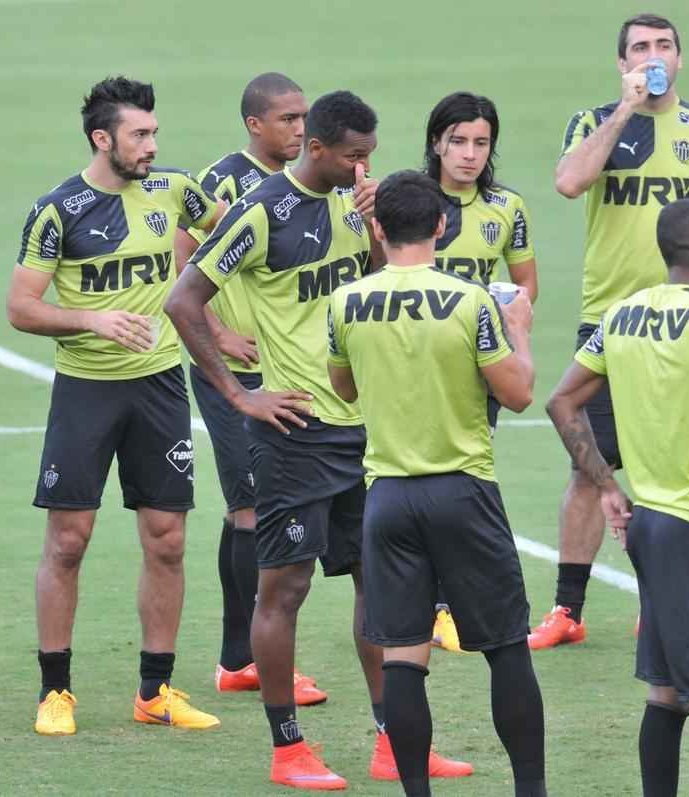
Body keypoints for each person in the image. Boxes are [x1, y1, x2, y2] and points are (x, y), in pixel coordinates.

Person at [167, 92, 471, 789]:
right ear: (320, 149)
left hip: (365, 429)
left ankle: (395, 741)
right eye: (356, 156)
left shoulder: (352, 204)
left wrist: (370, 233)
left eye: (370, 155)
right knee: (286, 587)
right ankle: (287, 749)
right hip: (297, 432)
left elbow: (367, 287)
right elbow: (184, 299)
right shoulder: (261, 212)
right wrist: (240, 393)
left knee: (382, 584)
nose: (367, 167)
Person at [7, 75, 224, 737]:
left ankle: (155, 690)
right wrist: (93, 321)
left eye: (154, 132)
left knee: (168, 540)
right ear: (103, 139)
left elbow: (235, 239)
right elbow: (21, 307)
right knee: (68, 542)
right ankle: (55, 691)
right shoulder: (60, 210)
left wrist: (216, 326)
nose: (152, 145)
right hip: (87, 391)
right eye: (139, 134)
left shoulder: (176, 190)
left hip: (159, 386)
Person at [536, 11, 689, 649]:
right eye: (639, 49)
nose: (652, 56)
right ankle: (567, 612)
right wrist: (625, 111)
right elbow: (570, 183)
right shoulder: (595, 124)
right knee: (588, 467)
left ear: (680, 58)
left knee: (680, 464)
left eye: (662, 46)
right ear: (622, 63)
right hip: (612, 321)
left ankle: (661, 600)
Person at [328, 170, 544, 797]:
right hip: (462, 489)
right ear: (442, 227)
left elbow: (344, 389)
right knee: (505, 648)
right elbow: (520, 392)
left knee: (402, 657)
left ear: (377, 228)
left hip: (388, 496)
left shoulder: (346, 302)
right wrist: (520, 329)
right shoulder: (470, 301)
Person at [547, 199, 689, 797]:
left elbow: (562, 401)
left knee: (667, 693)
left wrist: (607, 486)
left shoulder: (620, 315)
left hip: (651, 525)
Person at [174, 72, 325, 706]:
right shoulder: (224, 181)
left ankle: (242, 655)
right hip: (230, 375)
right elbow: (182, 255)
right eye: (288, 119)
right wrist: (218, 330)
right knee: (250, 510)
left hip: (283, 373)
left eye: (304, 118)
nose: (299, 129)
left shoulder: (305, 186)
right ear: (254, 125)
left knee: (255, 506)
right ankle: (241, 659)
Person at [422, 91, 539, 653]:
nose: (469, 154)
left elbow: (525, 286)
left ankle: (447, 605)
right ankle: (429, 602)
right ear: (436, 142)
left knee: (463, 481)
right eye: (458, 141)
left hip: (477, 364)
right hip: (415, 364)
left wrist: (505, 316)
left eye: (481, 143)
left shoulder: (507, 208)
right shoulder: (413, 201)